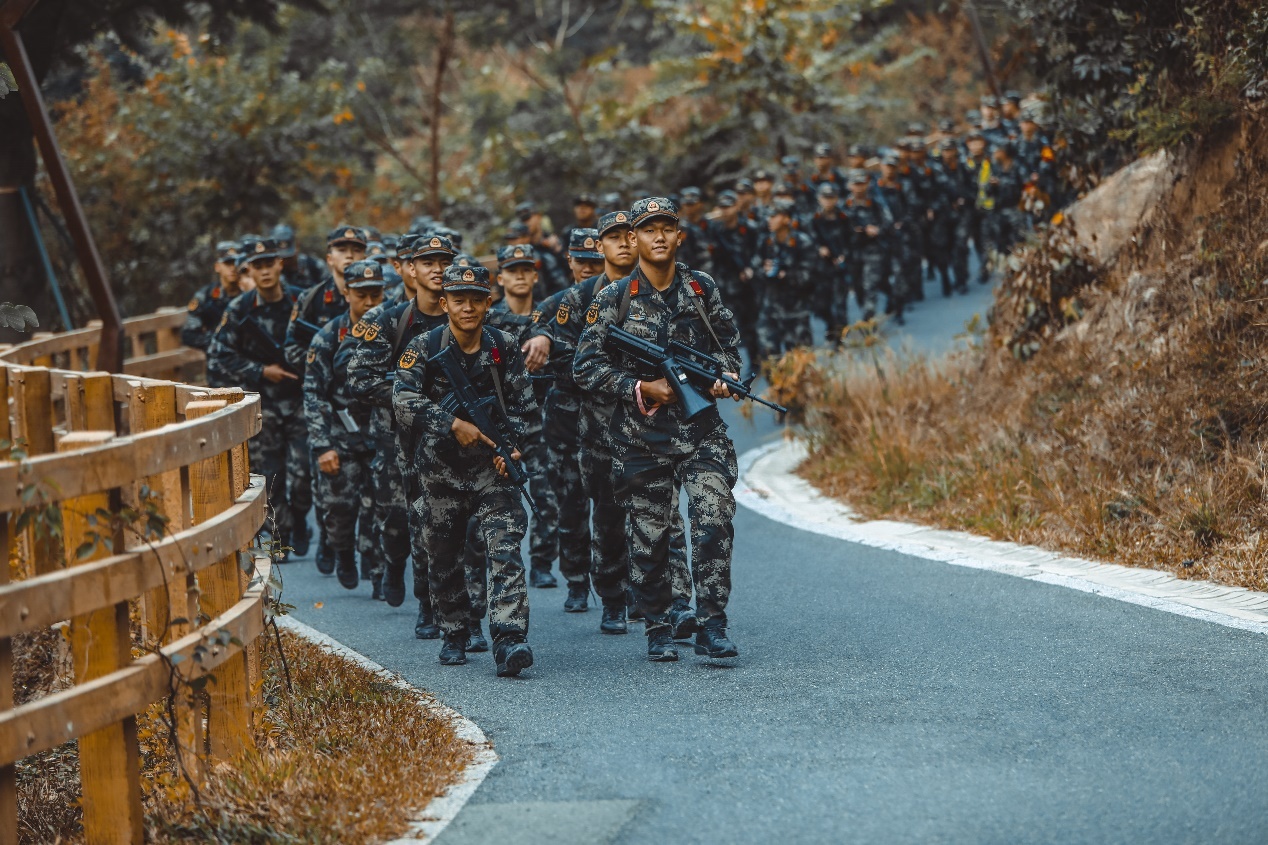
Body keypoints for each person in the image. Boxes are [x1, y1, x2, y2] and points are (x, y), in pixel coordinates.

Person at [574, 196, 743, 662]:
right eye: (649, 229)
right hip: (641, 437)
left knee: (714, 517)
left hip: (701, 430)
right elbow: (585, 366)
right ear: (633, 239)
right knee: (649, 538)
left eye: (667, 228)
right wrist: (639, 387)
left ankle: (712, 624)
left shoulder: (701, 288)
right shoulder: (614, 297)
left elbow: (728, 345)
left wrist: (724, 375)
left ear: (679, 235)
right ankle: (659, 625)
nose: (659, 237)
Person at [393, 264, 537, 677]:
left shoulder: (504, 345)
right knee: (444, 556)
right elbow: (402, 399)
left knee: (505, 547)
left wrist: (513, 448)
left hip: (493, 472)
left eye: (476, 299)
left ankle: (509, 638)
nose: (468, 307)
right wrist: (452, 423)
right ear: (445, 303)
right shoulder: (424, 346)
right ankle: (454, 631)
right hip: (440, 471)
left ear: (488, 303)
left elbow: (525, 406)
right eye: (459, 300)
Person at [347, 234, 459, 642]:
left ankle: (431, 606)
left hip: (449, 438)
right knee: (397, 521)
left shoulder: (464, 315)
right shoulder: (389, 320)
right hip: (396, 438)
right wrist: (411, 396)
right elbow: (359, 378)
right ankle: (393, 564)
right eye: (427, 262)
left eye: (444, 261)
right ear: (410, 269)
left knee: (434, 522)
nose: (437, 269)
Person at [208, 236, 310, 557]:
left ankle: (300, 517)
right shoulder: (240, 309)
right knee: (272, 473)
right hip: (263, 403)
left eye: (269, 264)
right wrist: (261, 371)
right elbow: (220, 353)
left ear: (280, 264)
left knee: (304, 473)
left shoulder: (301, 300)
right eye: (258, 266)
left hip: (301, 399)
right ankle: (281, 534)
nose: (265, 272)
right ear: (249, 270)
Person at [303, 259, 385, 594]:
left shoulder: (390, 330)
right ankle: (344, 552)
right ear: (347, 293)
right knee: (338, 508)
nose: (369, 302)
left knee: (382, 507)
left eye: (375, 294)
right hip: (339, 434)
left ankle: (379, 572)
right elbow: (313, 393)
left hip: (380, 434)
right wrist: (322, 446)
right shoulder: (328, 336)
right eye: (361, 294)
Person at [485, 244, 558, 591]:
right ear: (500, 278)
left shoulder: (548, 316)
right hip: (501, 422)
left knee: (547, 495)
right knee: (498, 500)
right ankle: (499, 565)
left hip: (541, 420)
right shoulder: (488, 317)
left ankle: (542, 563)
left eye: (525, 270)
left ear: (534, 276)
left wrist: (546, 335)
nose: (519, 276)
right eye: (511, 271)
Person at [754, 197, 816, 355]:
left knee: (800, 359)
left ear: (787, 219)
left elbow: (809, 277)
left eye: (774, 216)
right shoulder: (766, 242)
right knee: (769, 357)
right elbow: (755, 268)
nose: (769, 220)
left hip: (795, 309)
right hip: (771, 308)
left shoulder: (802, 242)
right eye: (768, 216)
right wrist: (765, 271)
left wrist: (784, 274)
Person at [706, 191, 761, 368]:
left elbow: (760, 250)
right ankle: (735, 365)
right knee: (729, 326)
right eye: (722, 207)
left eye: (728, 207)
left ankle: (758, 359)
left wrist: (751, 268)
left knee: (752, 323)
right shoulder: (715, 230)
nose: (725, 211)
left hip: (749, 283)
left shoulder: (749, 228)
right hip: (727, 284)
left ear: (736, 206)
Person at [842, 170, 894, 323]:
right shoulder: (844, 206)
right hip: (853, 251)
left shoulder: (876, 203)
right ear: (850, 186)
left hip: (874, 249)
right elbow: (841, 228)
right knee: (858, 286)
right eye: (856, 184)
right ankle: (888, 300)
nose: (859, 187)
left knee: (870, 284)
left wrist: (878, 229)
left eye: (862, 184)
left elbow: (888, 222)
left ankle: (868, 320)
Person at [182, 240, 243, 356]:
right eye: (228, 263)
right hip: (219, 357)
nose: (233, 268)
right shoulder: (206, 296)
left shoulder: (250, 293)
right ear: (217, 267)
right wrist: (217, 343)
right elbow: (189, 334)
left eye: (236, 263)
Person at [810, 182, 852, 344]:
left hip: (840, 267)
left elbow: (852, 238)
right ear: (819, 199)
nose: (828, 201)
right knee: (821, 305)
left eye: (831, 197)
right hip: (821, 268)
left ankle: (840, 337)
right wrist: (818, 248)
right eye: (825, 197)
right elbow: (807, 240)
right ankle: (830, 325)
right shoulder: (813, 219)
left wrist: (844, 255)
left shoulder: (844, 217)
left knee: (840, 303)